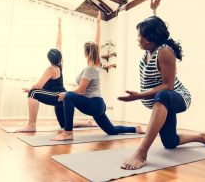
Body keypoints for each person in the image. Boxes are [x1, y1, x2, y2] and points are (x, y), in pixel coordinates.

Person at [118, 0, 205, 170]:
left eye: (140, 35)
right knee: (169, 142)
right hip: (163, 101)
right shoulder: (150, 49)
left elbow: (168, 86)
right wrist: (153, 11)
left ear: (148, 38)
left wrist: (138, 96)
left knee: (163, 94)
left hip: (177, 97)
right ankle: (200, 137)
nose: (138, 38)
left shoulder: (165, 52)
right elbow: (154, 27)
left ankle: (141, 153)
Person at [51, 11, 144, 141]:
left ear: (86, 53)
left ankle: (68, 132)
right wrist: (98, 24)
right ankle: (135, 129)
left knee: (69, 96)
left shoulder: (90, 69)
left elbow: (80, 91)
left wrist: (64, 95)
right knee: (111, 130)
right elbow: (97, 43)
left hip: (94, 104)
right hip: (98, 104)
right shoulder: (96, 66)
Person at [17, 18, 94, 132]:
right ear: (59, 57)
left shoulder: (51, 69)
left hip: (58, 96)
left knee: (33, 93)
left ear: (49, 59)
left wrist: (30, 89)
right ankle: (87, 123)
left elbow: (38, 86)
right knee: (64, 124)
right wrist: (59, 27)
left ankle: (31, 125)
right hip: (61, 96)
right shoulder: (60, 64)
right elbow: (59, 43)